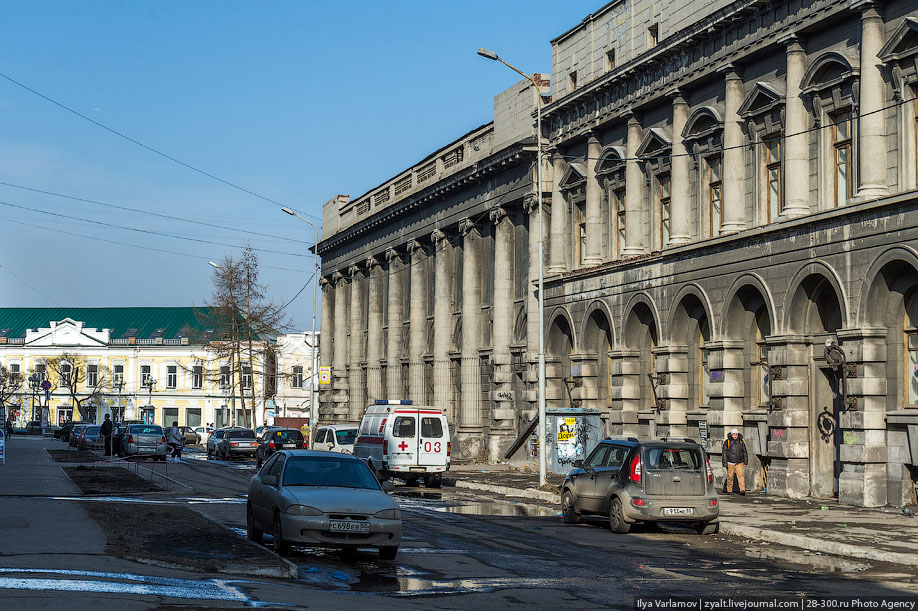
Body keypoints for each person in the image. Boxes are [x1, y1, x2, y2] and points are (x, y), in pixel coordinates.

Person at [722, 428, 748, 495]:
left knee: (740, 475)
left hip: (739, 462)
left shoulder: (741, 442)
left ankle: (742, 490)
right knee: (730, 476)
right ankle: (729, 490)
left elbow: (744, 452)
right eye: (733, 434)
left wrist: (745, 462)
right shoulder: (727, 442)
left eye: (736, 434)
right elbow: (724, 453)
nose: (735, 436)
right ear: (731, 435)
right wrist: (725, 463)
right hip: (730, 462)